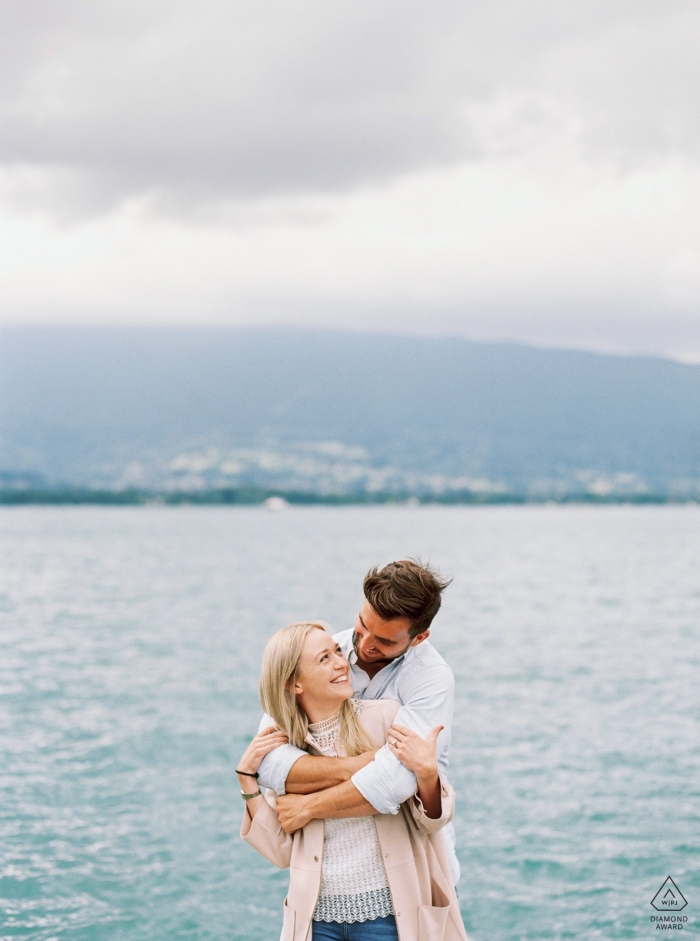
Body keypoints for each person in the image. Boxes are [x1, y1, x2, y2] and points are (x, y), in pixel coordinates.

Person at [238, 621, 468, 941]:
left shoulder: (388, 717)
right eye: (324, 658)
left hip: (389, 917)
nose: (341, 662)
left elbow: (431, 823)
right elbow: (280, 851)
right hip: (316, 921)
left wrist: (428, 775)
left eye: (336, 651)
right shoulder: (287, 745)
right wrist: (248, 782)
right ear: (294, 683)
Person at [256, 560, 461, 884]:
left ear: (419, 638)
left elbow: (396, 782)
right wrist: (360, 766)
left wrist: (308, 806)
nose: (364, 645)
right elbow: (268, 762)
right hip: (330, 877)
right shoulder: (323, 652)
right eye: (362, 625)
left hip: (414, 872)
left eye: (385, 641)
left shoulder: (431, 679)